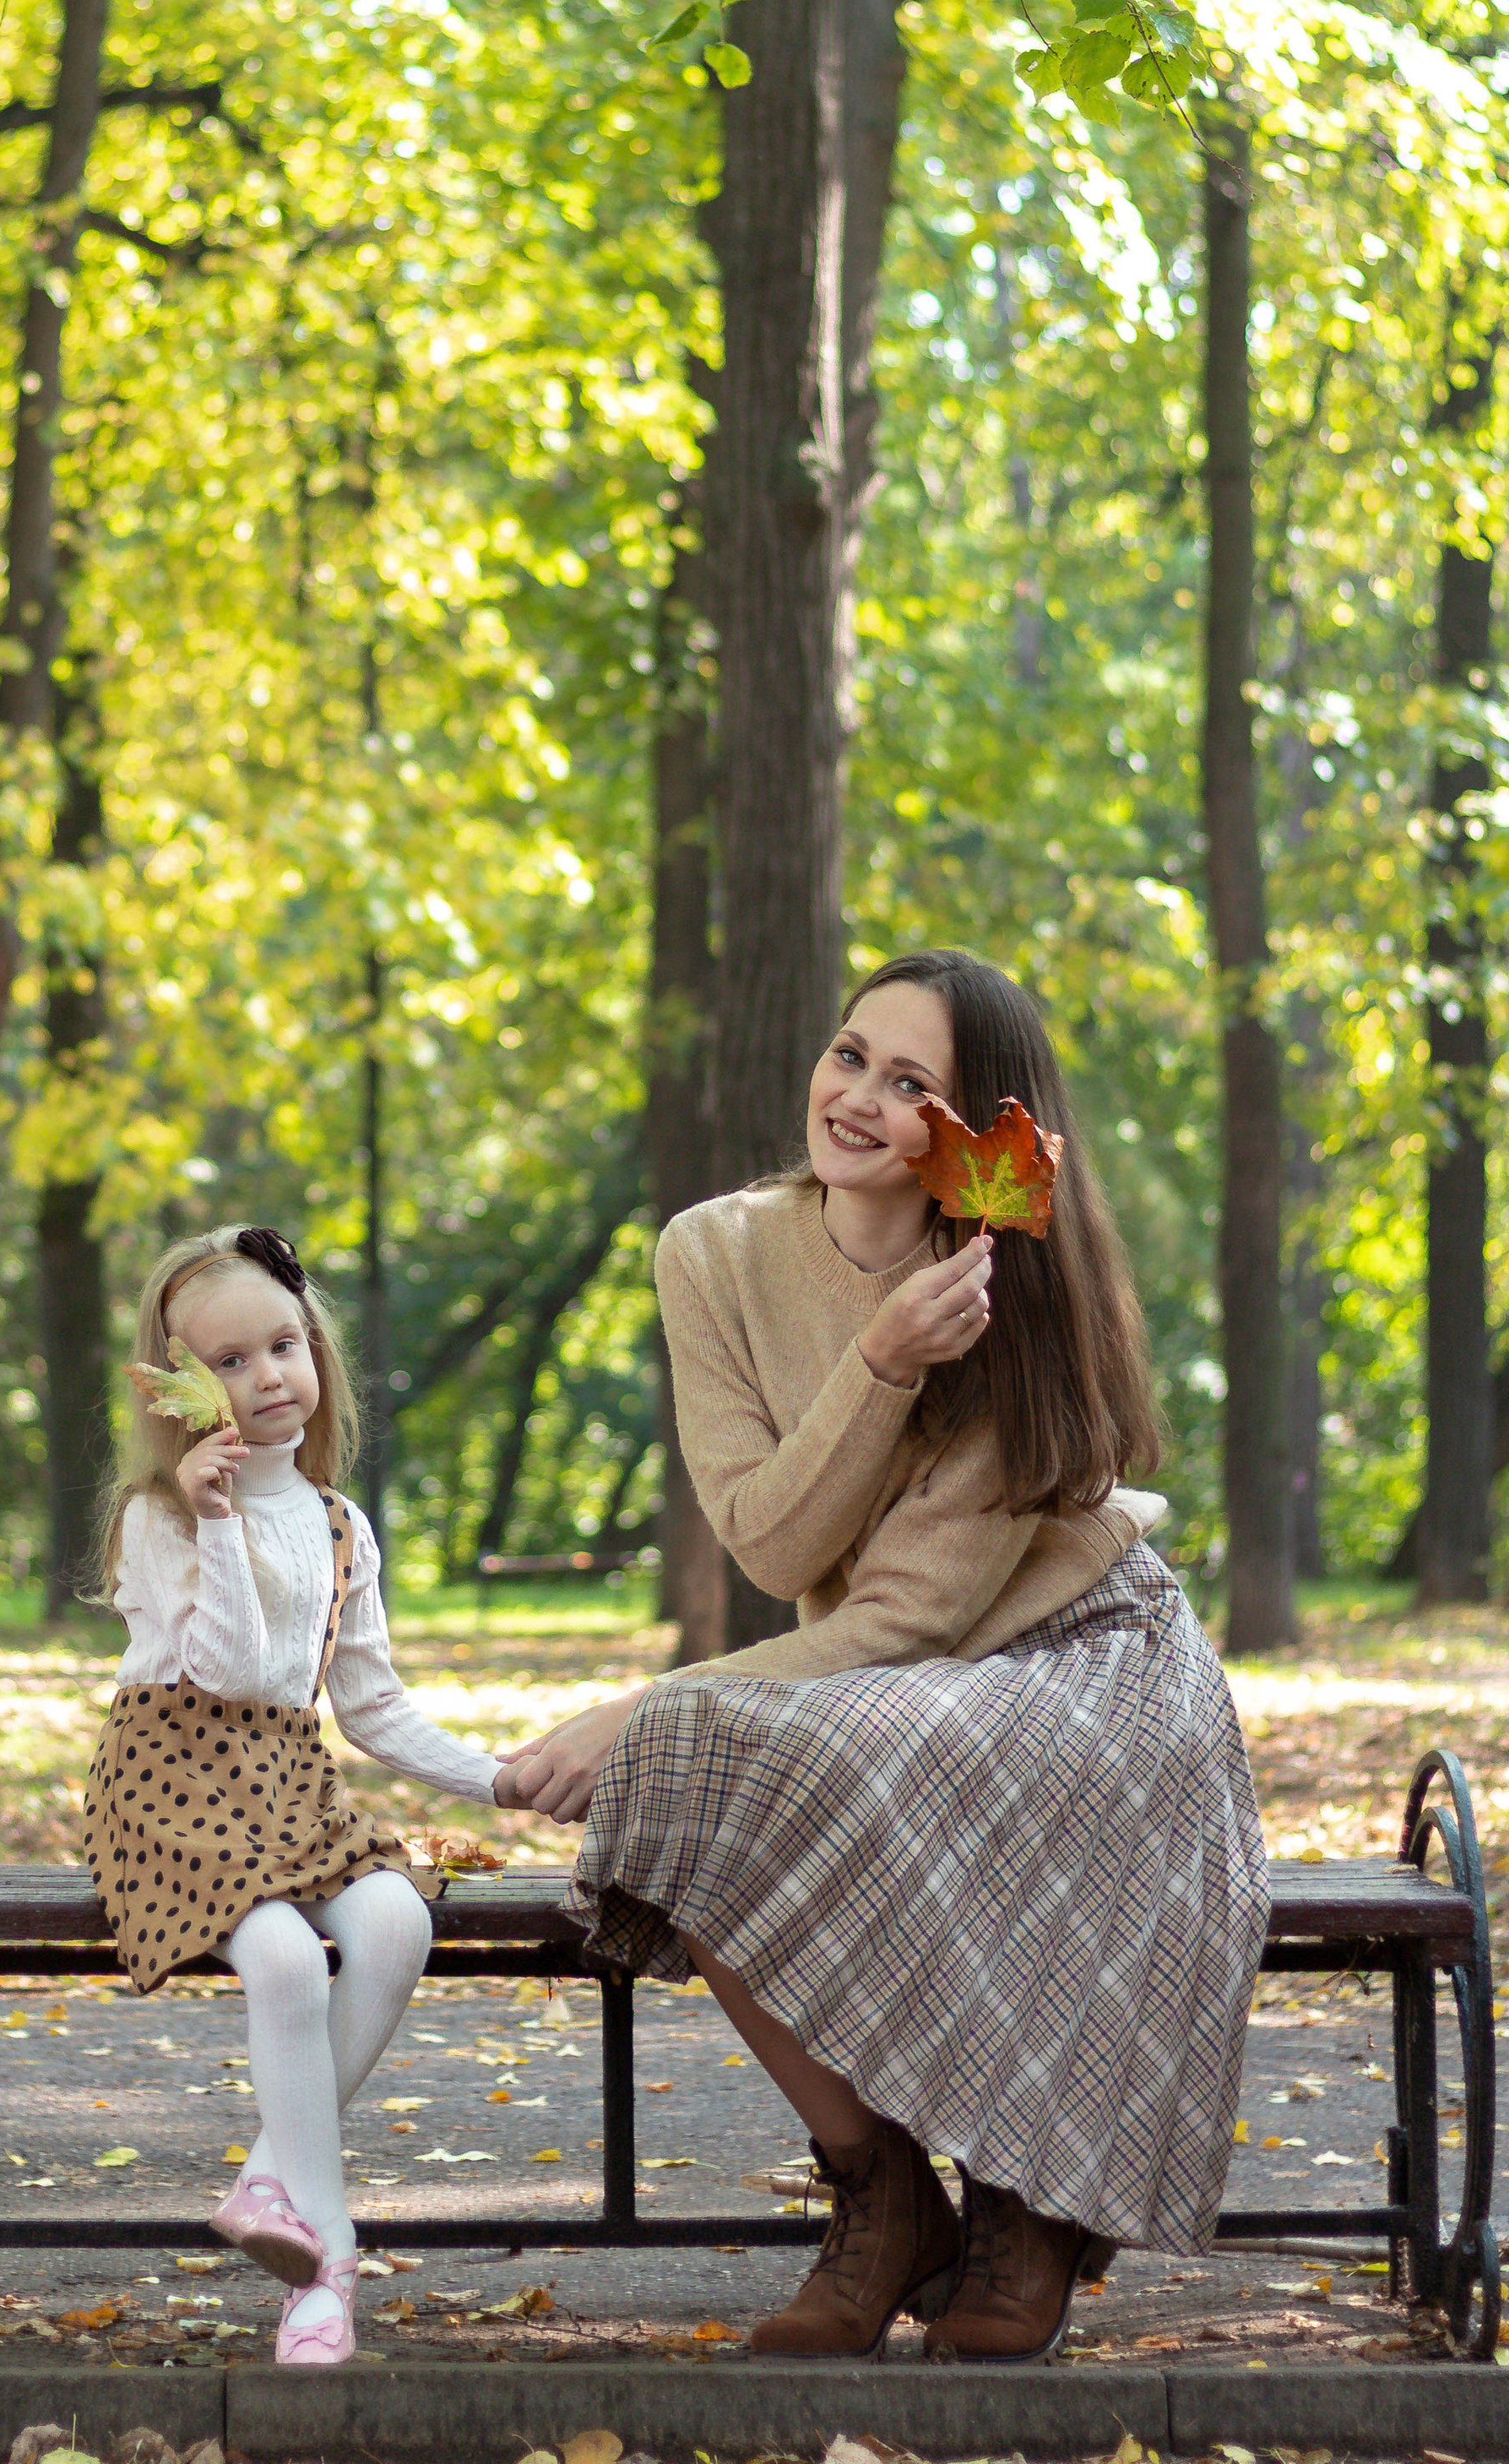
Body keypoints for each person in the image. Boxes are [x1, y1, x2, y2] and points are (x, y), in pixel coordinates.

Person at [500, 949, 1270, 2363]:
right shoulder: (713, 1253)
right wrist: (877, 1364)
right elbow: (776, 1551)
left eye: (912, 1085)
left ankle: (1028, 2195)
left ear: (981, 1135)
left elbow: (920, 1613)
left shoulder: (1010, 1289)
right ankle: (883, 2191)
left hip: (1080, 1660)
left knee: (717, 1737)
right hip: (895, 1671)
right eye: (850, 1054)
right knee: (699, 1767)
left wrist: (645, 1703)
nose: (856, 1099)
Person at [83, 1221, 518, 2368]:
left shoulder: (339, 1523)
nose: (266, 1376)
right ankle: (326, 2271)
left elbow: (370, 1707)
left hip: (289, 1785)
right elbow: (222, 1669)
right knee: (277, 1958)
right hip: (171, 1785)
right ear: (178, 1390)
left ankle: (267, 2179)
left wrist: (501, 1777)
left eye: (282, 1345)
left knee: (395, 1917)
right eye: (227, 1362)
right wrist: (218, 1518)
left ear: (314, 1351)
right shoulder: (159, 1519)